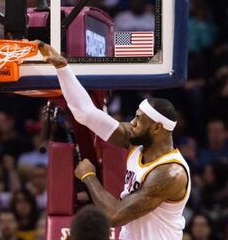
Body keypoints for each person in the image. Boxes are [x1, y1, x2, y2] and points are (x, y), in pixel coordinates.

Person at [36, 41, 191, 240]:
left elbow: (114, 215)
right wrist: (62, 67)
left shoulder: (170, 173)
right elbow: (86, 114)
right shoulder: (136, 139)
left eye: (139, 119)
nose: (132, 122)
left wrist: (89, 176)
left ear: (156, 127)